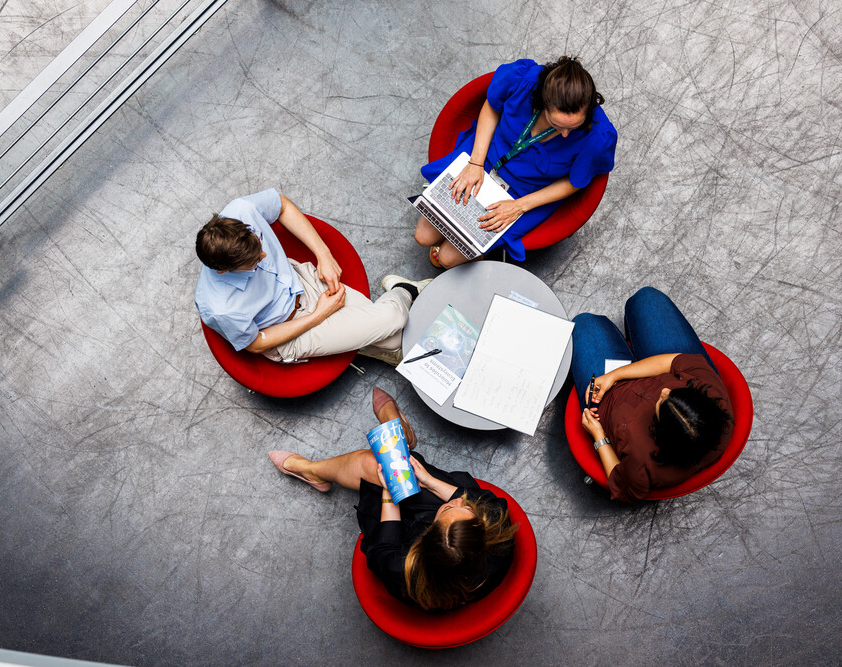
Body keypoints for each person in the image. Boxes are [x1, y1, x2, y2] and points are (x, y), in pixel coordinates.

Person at [268, 388, 518, 612]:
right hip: (444, 542)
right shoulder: (495, 531)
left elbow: (384, 548)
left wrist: (388, 494)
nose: (459, 502)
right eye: (466, 510)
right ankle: (400, 435)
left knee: (373, 466)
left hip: (399, 537)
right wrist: (429, 480)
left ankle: (312, 471)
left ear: (427, 535)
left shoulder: (404, 568)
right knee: (401, 470)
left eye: (447, 511)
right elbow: (478, 499)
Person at [416, 56, 617, 267]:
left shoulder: (597, 137)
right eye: (557, 124)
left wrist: (518, 206)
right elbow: (492, 107)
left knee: (447, 258)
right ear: (543, 104)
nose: (566, 135)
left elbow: (574, 182)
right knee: (423, 236)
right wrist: (475, 163)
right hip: (483, 159)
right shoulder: (522, 80)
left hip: (524, 194)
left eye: (573, 127)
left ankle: (480, 250)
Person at [195, 188, 430, 365]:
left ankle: (361, 340)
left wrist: (323, 255)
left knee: (392, 340)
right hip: (285, 331)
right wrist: (319, 315)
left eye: (260, 245)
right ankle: (406, 290)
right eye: (255, 261)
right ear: (223, 270)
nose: (265, 256)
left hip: (302, 281)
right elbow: (256, 344)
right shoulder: (220, 308)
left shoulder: (240, 211)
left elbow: (282, 205)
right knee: (394, 323)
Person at [570, 287, 734, 503]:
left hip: (611, 400)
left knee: (584, 324)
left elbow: (620, 485)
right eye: (674, 392)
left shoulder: (642, 465)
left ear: (660, 433)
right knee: (646, 299)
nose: (664, 391)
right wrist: (615, 375)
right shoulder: (713, 397)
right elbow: (671, 361)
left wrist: (599, 436)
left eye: (662, 402)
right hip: (653, 370)